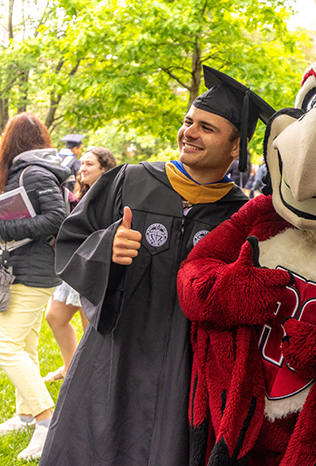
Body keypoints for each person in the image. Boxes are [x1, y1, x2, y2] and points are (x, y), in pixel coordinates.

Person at [40, 66, 270, 466]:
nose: (190, 133)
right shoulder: (128, 181)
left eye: (207, 128)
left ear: (236, 148)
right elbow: (70, 241)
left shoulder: (241, 214)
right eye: (188, 122)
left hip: (187, 372)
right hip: (114, 356)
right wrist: (105, 247)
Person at [0, 112, 70, 461]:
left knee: (4, 346)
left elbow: (57, 219)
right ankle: (26, 415)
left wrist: (3, 229)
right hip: (26, 267)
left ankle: (45, 419)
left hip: (32, 271)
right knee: (25, 345)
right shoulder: (32, 170)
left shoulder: (34, 172)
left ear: (11, 140)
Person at [42, 146, 117, 383]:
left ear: (105, 169)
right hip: (74, 262)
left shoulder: (112, 194)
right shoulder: (78, 193)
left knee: (91, 328)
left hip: (95, 266)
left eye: (89, 164)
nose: (82, 168)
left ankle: (94, 379)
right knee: (54, 316)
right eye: (82, 163)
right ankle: (70, 366)